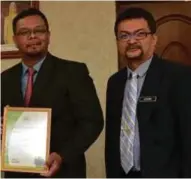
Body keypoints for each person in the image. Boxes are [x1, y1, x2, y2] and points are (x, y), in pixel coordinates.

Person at [1, 8, 104, 178]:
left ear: (48, 35)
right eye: (24, 32)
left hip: (64, 171)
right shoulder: (4, 79)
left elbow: (93, 122)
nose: (32, 36)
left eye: (39, 30)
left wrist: (63, 155)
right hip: (17, 173)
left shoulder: (74, 72)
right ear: (15, 39)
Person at [105, 7, 191, 178]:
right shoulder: (114, 82)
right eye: (124, 36)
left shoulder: (178, 77)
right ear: (117, 42)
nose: (131, 41)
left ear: (154, 39)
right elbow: (113, 140)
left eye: (140, 34)